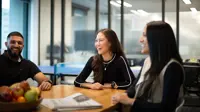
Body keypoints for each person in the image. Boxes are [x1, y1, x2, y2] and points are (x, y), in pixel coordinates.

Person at [112, 21, 184, 112]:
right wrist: (126, 94)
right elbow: (135, 85)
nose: (140, 40)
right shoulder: (147, 61)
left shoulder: (172, 67)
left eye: (145, 35)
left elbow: (167, 108)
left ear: (157, 40)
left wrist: (131, 101)